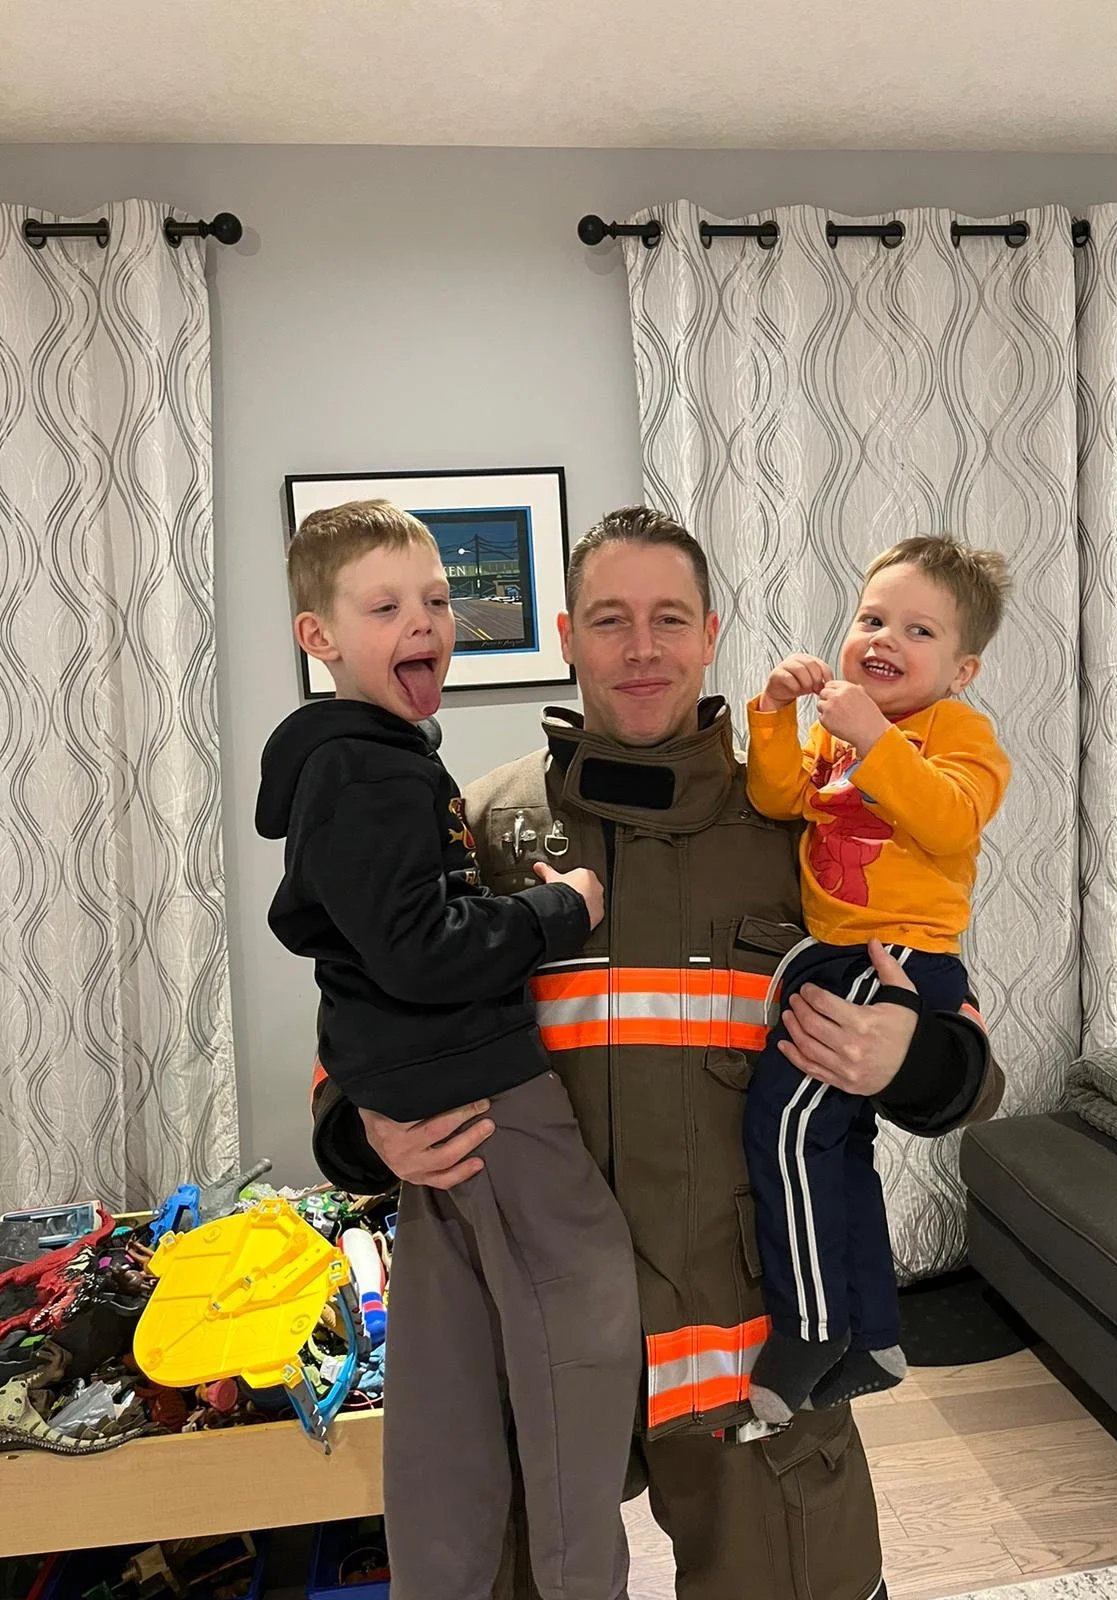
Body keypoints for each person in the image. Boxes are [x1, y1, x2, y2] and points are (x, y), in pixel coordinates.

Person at [310, 507, 1006, 1600]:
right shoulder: (471, 828)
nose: (642, 649)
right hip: (528, 1338)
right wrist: (368, 1129)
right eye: (610, 620)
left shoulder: (812, 828)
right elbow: (353, 1030)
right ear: (567, 637)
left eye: (670, 619)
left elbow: (966, 1066)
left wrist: (907, 1055)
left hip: (746, 1349)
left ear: (711, 633)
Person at [255, 500, 642, 1600]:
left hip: (440, 1106)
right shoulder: (372, 769)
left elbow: (373, 953)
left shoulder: (357, 762)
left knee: (448, 1399)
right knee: (580, 1338)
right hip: (486, 1096)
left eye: (435, 599)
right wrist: (559, 910)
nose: (423, 622)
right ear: (319, 636)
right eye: (385, 607)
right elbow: (419, 949)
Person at [742, 536, 1012, 1426]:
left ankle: (812, 1327)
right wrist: (775, 714)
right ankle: (874, 1334)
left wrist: (874, 735)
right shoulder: (834, 730)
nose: (884, 638)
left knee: (786, 1125)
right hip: (838, 952)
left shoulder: (959, 734)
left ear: (962, 670)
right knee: (836, 1140)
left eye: (919, 630)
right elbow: (780, 798)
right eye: (871, 618)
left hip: (897, 957)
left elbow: (950, 820)